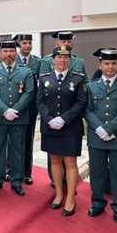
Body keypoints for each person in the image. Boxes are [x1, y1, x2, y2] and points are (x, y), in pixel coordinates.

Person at [85, 48, 117, 223]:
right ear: (100, 64)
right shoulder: (90, 87)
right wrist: (101, 129)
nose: (110, 66)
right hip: (96, 137)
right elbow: (87, 110)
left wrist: (110, 129)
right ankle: (98, 204)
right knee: (97, 173)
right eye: (106, 63)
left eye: (113, 63)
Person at [37, 45, 87, 216]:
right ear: (53, 60)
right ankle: (59, 194)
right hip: (50, 126)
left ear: (69, 60)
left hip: (71, 127)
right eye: (59, 57)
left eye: (66, 57)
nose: (62, 60)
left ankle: (70, 198)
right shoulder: (44, 79)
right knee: (55, 160)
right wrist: (50, 119)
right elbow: (40, 102)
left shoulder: (78, 79)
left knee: (70, 162)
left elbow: (81, 103)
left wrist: (64, 119)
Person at [0, 40, 33, 196]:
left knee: (17, 150)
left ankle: (17, 181)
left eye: (11, 51)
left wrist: (15, 110)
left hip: (19, 117)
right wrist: (5, 110)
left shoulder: (26, 72)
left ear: (15, 53)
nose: (8, 55)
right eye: (5, 52)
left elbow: (28, 93)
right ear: (0, 54)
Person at [40, 31, 88, 185]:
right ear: (57, 43)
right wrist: (49, 118)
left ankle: (69, 182)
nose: (65, 43)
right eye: (63, 41)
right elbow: (44, 88)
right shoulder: (47, 60)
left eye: (68, 41)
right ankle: (55, 180)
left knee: (70, 159)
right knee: (53, 157)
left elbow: (85, 83)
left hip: (70, 113)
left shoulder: (79, 62)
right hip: (52, 114)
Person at [13, 34, 41, 185]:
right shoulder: (13, 59)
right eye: (24, 43)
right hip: (14, 107)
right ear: (19, 44)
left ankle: (26, 172)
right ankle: (10, 169)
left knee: (28, 141)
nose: (27, 46)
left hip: (30, 108)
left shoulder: (38, 62)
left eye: (29, 43)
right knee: (13, 141)